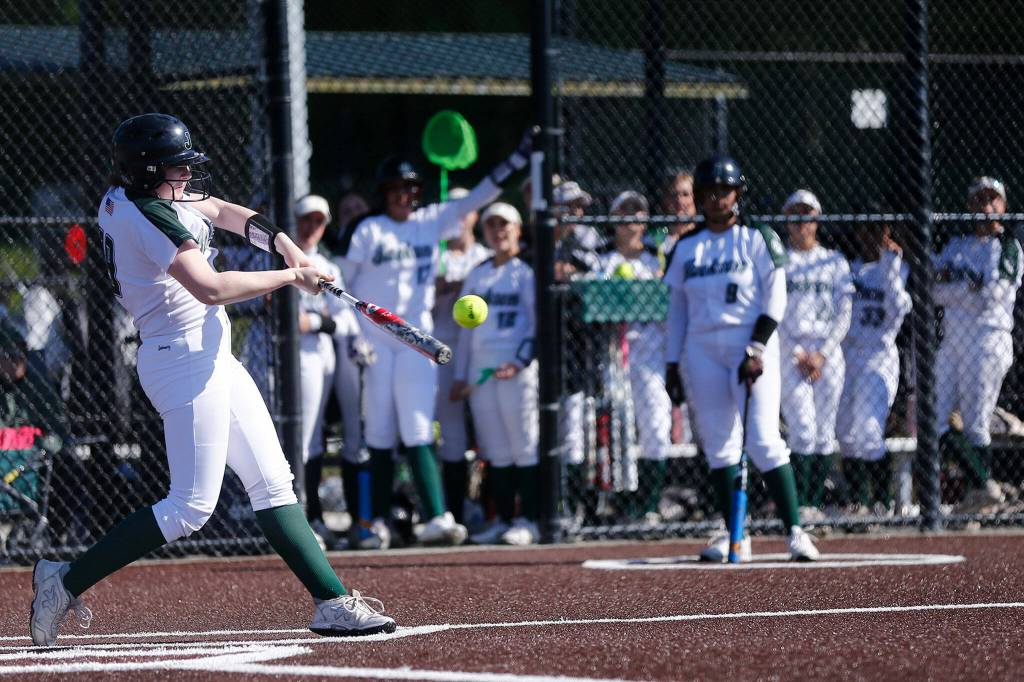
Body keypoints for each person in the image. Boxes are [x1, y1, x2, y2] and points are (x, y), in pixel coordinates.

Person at [28, 113, 396, 647]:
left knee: (273, 482)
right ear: (149, 173)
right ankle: (62, 581)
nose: (187, 174)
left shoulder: (133, 193)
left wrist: (288, 246)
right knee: (190, 508)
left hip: (210, 354)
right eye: (177, 166)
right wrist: (294, 277)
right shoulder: (146, 215)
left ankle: (332, 602)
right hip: (180, 362)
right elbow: (213, 289)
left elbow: (226, 211)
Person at [335, 128, 534, 549]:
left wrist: (517, 160)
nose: (402, 197)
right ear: (383, 193)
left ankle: (438, 516)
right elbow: (339, 287)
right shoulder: (367, 230)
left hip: (415, 341)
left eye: (409, 189)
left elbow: (478, 196)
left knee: (419, 427)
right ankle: (376, 523)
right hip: (374, 342)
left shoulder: (431, 223)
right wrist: (354, 335)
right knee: (380, 432)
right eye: (395, 190)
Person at [663, 155, 819, 562]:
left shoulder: (757, 238)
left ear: (737, 194)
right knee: (720, 445)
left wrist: (756, 347)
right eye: (709, 192)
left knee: (764, 439)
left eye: (724, 191)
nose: (717, 199)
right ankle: (735, 533)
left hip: (749, 346)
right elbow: (677, 309)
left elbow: (776, 297)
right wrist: (670, 363)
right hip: (701, 348)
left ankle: (795, 531)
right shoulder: (685, 247)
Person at [450, 203, 539, 544]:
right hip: (480, 373)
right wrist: (461, 375)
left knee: (524, 446)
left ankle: (530, 519)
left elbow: (535, 324)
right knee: (496, 449)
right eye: (492, 226)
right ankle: (503, 519)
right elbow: (465, 331)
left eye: (505, 225)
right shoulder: (478, 273)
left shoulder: (526, 272)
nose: (499, 231)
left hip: (515, 370)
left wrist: (518, 362)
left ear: (518, 229)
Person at [933, 176, 1022, 512]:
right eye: (980, 200)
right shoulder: (956, 245)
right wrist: (967, 290)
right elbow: (932, 290)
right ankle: (984, 485)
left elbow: (994, 295)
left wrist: (956, 290)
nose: (986, 207)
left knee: (975, 422)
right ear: (970, 206)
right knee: (936, 420)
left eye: (993, 200)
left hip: (988, 339)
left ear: (1003, 206)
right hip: (953, 340)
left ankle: (979, 494)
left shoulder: (1008, 246)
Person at [777, 190, 854, 515]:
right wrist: (798, 353)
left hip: (827, 353)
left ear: (817, 219)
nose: (801, 222)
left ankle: (814, 505)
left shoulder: (834, 261)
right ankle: (798, 506)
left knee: (825, 433)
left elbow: (844, 312)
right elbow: (773, 313)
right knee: (803, 429)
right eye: (795, 215)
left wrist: (822, 353)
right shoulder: (779, 260)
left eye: (807, 215)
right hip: (789, 352)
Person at [597, 191, 672, 521]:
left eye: (637, 212)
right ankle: (621, 505)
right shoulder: (603, 259)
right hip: (612, 354)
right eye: (624, 212)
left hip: (652, 353)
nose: (631, 218)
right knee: (618, 429)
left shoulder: (658, 258)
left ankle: (650, 503)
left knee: (656, 425)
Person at [293, 194, 362, 549]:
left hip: (322, 358)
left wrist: (320, 321)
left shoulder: (325, 263)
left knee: (316, 438)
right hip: (294, 359)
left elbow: (346, 317)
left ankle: (314, 515)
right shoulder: (284, 259)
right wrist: (321, 321)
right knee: (301, 437)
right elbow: (287, 318)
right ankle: (301, 517)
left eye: (318, 221)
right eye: (306, 219)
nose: (311, 227)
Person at [835, 209, 911, 511]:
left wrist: (890, 268)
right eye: (865, 230)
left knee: (869, 430)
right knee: (845, 433)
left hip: (879, 354)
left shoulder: (896, 267)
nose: (872, 238)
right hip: (846, 354)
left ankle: (881, 501)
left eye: (879, 231)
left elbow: (899, 309)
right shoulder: (847, 268)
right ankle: (858, 502)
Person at [432, 187, 491, 525]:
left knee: (487, 429)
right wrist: (438, 289)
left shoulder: (484, 256)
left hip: (480, 350)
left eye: (465, 210)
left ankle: (487, 506)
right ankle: (455, 509)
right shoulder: (435, 257)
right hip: (443, 349)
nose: (459, 217)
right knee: (452, 431)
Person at [658, 170, 698, 265]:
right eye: (673, 194)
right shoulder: (654, 240)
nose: (679, 201)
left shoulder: (704, 237)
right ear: (665, 200)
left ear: (695, 198)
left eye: (685, 194)